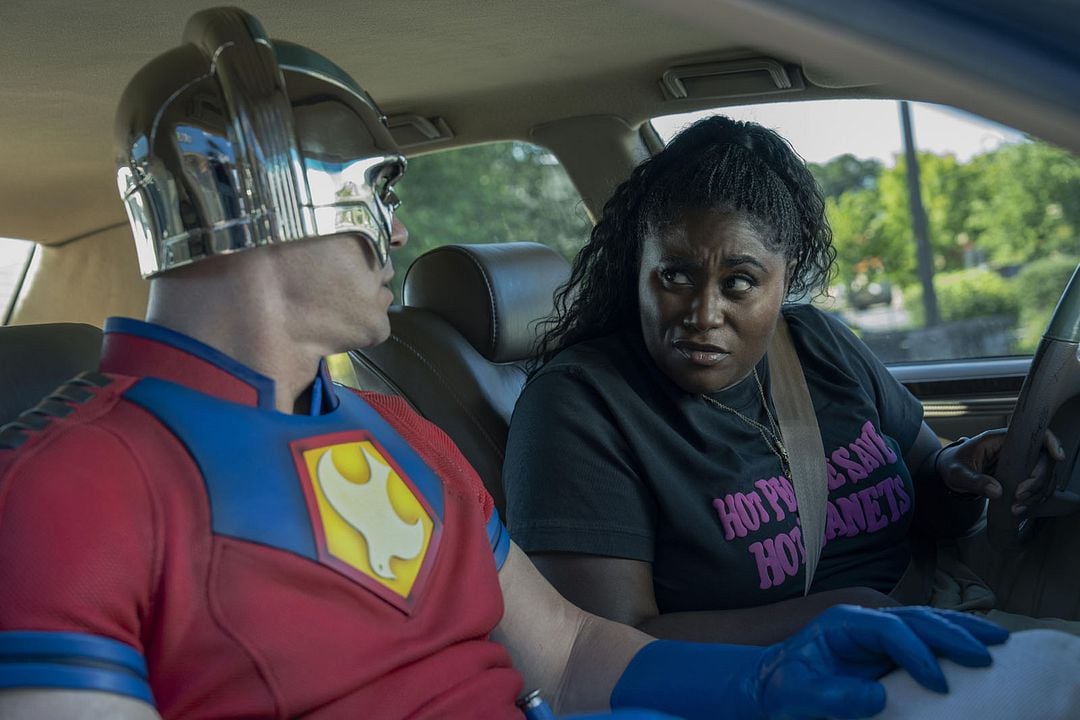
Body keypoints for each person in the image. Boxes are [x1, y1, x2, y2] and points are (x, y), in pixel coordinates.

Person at [0, 10, 1026, 720]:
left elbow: (575, 655)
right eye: (378, 191)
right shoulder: (70, 487)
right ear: (265, 196)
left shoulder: (398, 437)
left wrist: (763, 683)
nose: (399, 232)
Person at [503, 115, 1070, 645]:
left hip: (940, 616)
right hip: (774, 682)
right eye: (675, 275)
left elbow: (930, 484)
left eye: (740, 282)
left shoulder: (818, 344)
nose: (703, 313)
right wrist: (830, 619)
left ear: (786, 277)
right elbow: (600, 647)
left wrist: (961, 471)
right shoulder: (581, 406)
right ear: (638, 267)